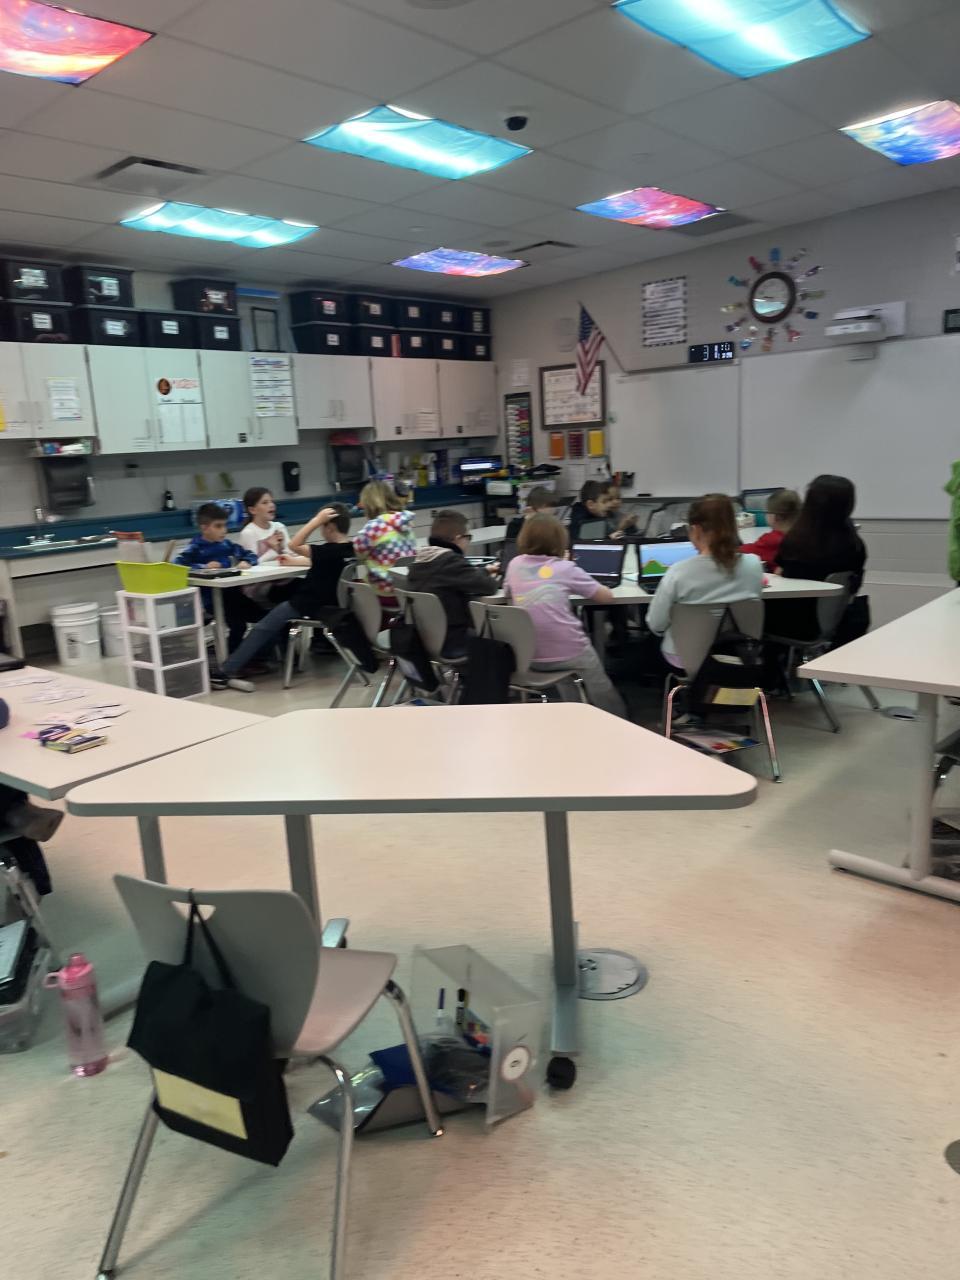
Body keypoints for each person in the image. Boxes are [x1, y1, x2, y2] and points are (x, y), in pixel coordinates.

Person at [211, 504, 354, 691]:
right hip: (333, 605)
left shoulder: (325, 551)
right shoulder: (350, 550)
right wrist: (294, 561)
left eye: (322, 526)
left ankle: (226, 670)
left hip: (308, 605)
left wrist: (316, 520)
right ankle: (267, 658)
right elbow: (319, 561)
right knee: (271, 618)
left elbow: (294, 545)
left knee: (263, 627)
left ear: (330, 527)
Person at [504, 514, 626, 718]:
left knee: (567, 678)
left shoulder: (514, 564)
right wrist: (566, 566)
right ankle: (618, 720)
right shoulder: (564, 568)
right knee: (600, 686)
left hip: (528, 656)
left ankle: (574, 716)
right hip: (569, 653)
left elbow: (508, 592)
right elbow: (606, 597)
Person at [646, 494, 764, 667]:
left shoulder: (678, 572)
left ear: (696, 530)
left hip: (684, 658)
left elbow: (656, 624)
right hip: (739, 655)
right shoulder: (754, 565)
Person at [766, 474, 867, 641]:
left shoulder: (797, 542)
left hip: (793, 622)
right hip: (837, 619)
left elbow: (780, 575)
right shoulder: (855, 545)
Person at [408, 509, 497, 657]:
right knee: (499, 640)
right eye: (468, 537)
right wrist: (491, 574)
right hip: (452, 640)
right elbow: (489, 586)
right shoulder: (451, 561)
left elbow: (462, 577)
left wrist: (485, 570)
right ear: (458, 539)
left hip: (425, 638)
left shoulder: (421, 559)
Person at [175, 502, 260, 651]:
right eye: (218, 526)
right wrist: (203, 567)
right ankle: (232, 657)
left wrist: (246, 561)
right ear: (204, 528)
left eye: (225, 525)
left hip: (233, 594)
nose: (224, 530)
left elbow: (251, 555)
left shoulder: (227, 545)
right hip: (211, 600)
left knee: (265, 617)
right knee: (239, 625)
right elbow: (177, 566)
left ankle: (255, 653)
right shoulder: (195, 547)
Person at [352, 480, 417, 612]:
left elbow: (358, 553)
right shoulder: (406, 522)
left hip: (385, 593)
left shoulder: (374, 526)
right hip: (409, 592)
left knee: (350, 589)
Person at [740, 488, 801, 571]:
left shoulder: (770, 540)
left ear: (775, 516)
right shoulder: (804, 536)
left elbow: (743, 551)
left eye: (767, 512)